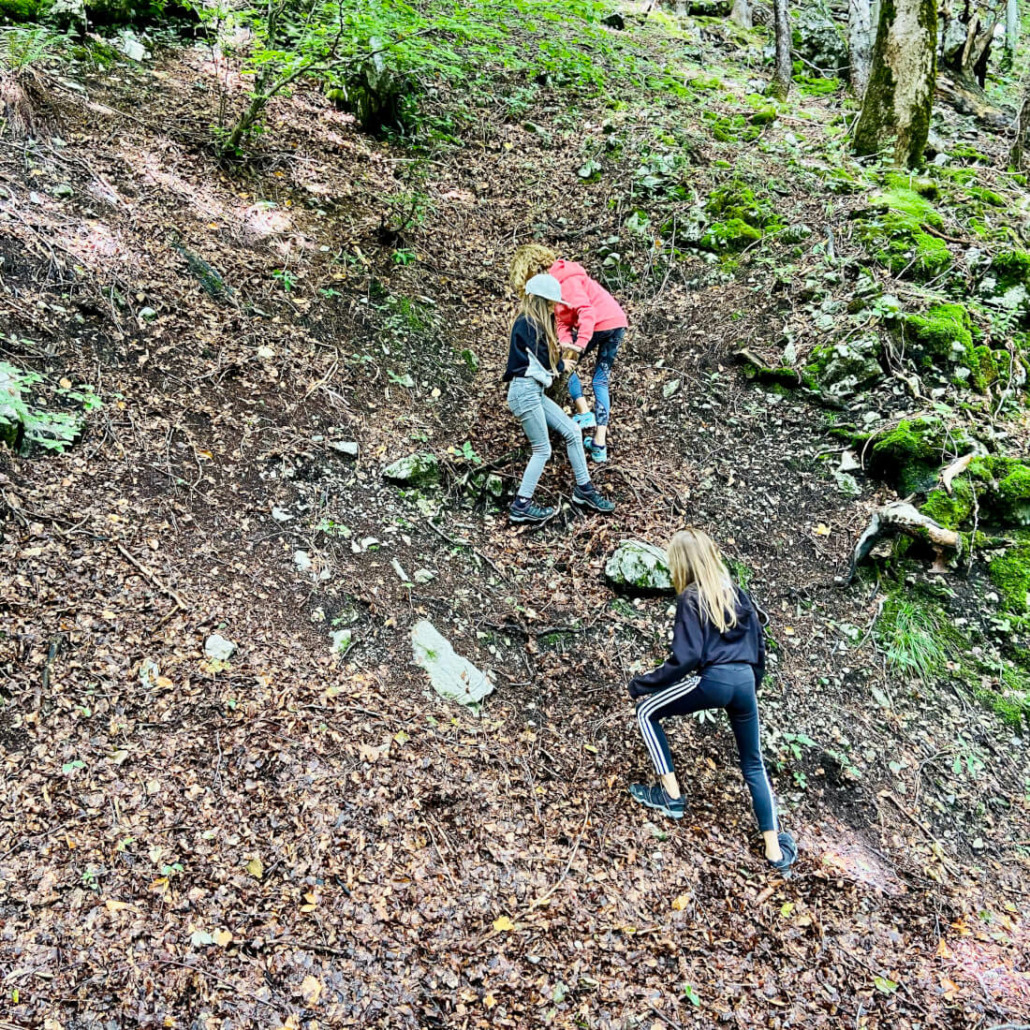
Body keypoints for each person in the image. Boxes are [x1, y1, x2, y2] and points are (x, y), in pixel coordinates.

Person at [626, 528, 797, 874]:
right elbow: (760, 648)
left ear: (683, 563)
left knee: (646, 711)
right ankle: (775, 851)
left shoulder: (691, 597)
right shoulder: (738, 593)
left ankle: (671, 796)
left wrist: (643, 684)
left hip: (715, 679)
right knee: (753, 763)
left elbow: (686, 657)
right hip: (745, 682)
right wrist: (750, 686)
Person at [503, 273, 616, 525]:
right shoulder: (527, 323)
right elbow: (544, 360)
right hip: (524, 392)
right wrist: (562, 363)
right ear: (541, 301)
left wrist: (561, 356)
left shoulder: (533, 323)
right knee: (542, 449)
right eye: (551, 303)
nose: (554, 307)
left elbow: (541, 357)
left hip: (533, 392)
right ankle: (521, 505)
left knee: (573, 432)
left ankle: (584, 490)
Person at [508, 244, 627, 464]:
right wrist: (564, 343)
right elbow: (563, 320)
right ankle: (599, 444)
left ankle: (584, 413)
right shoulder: (554, 286)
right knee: (598, 379)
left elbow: (586, 311)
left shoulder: (564, 280)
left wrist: (579, 344)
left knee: (562, 366)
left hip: (599, 323)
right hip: (616, 321)